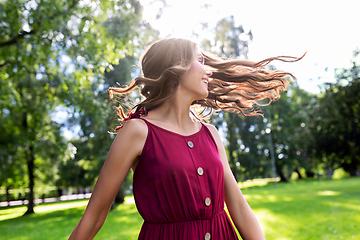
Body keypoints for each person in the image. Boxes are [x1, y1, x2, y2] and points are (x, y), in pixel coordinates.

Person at [69, 38, 304, 240]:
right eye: (200, 61)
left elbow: (239, 208)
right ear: (175, 67)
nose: (209, 70)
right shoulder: (137, 131)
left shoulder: (210, 134)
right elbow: (95, 216)